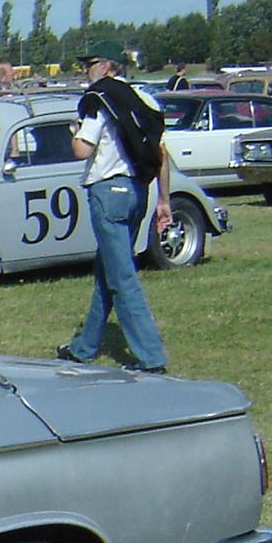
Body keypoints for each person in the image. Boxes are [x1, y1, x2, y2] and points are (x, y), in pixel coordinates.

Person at [58, 39, 171, 374]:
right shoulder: (144, 99)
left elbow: (82, 150)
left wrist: (74, 132)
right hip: (138, 190)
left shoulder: (98, 100)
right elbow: (162, 154)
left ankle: (151, 357)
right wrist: (164, 200)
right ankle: (84, 347)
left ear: (106, 66)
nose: (85, 72)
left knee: (122, 278)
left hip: (107, 192)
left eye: (90, 64)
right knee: (107, 272)